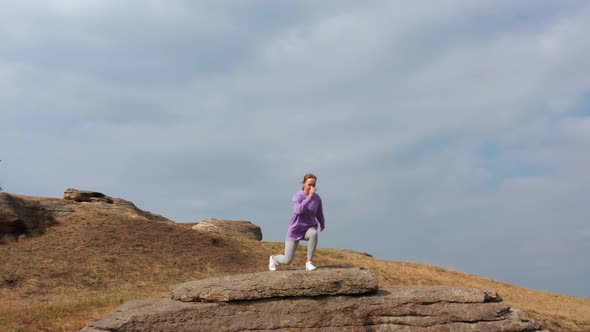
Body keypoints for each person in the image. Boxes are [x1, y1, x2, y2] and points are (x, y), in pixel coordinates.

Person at [269, 173, 325, 271]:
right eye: (309, 185)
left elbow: (319, 212)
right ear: (304, 184)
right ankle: (273, 258)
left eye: (313, 185)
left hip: (309, 228)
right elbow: (298, 210)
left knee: (314, 233)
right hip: (295, 229)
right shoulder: (297, 196)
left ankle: (309, 262)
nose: (311, 187)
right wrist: (309, 197)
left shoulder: (317, 198)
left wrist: (322, 223)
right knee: (287, 260)